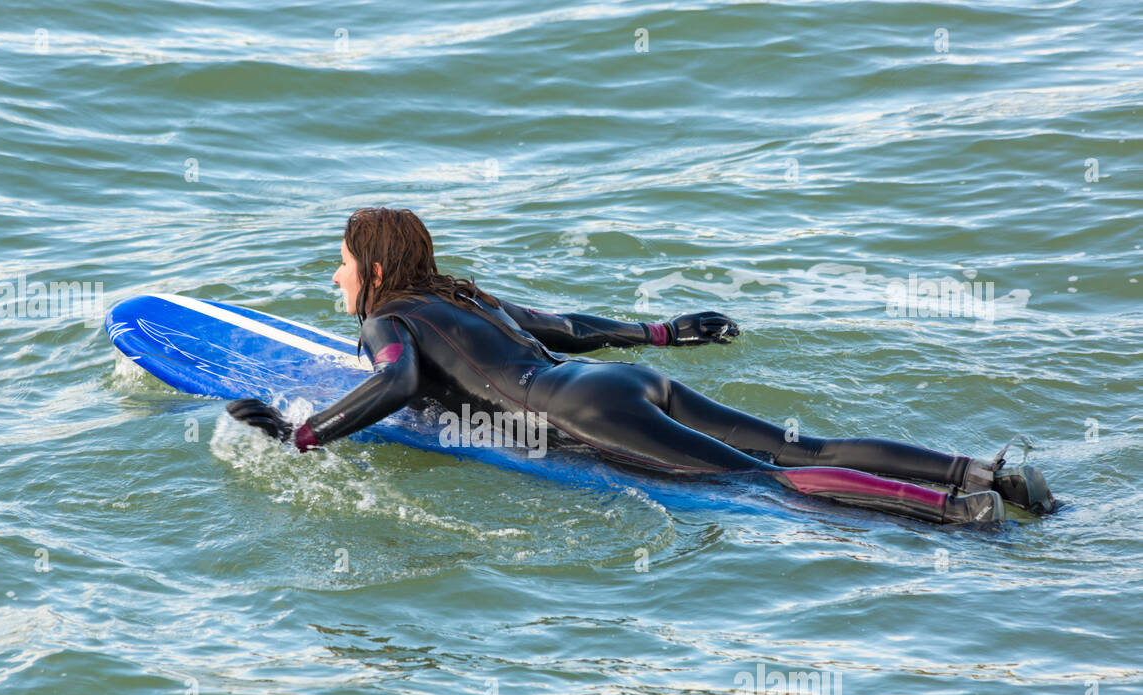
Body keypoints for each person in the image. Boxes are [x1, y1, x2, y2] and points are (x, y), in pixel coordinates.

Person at [227, 207, 1056, 526]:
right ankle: (986, 471)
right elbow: (567, 326)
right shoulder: (459, 296)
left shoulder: (386, 320)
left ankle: (958, 513)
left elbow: (399, 380)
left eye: (339, 262)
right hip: (620, 386)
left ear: (372, 270)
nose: (333, 277)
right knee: (799, 451)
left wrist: (303, 435)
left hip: (586, 418)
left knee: (760, 486)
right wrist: (659, 334)